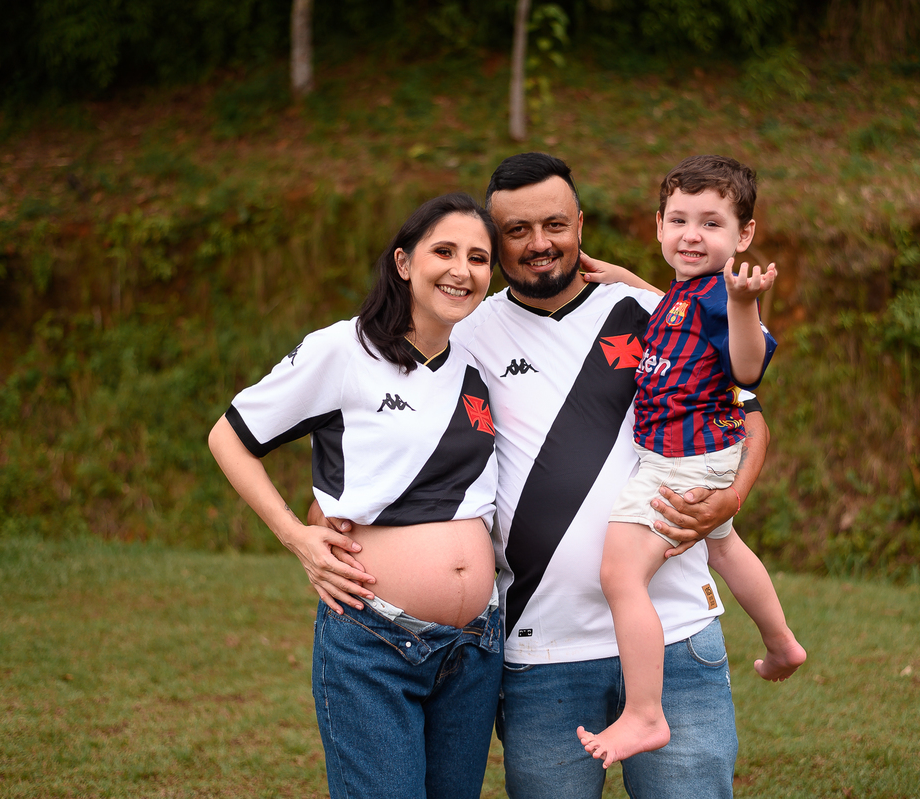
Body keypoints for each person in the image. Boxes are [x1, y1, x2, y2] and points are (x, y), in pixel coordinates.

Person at [312, 153, 769, 799]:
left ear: (580, 222)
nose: (539, 243)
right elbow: (378, 429)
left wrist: (734, 494)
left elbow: (749, 417)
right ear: (495, 244)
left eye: (554, 223)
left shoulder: (652, 307)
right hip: (542, 652)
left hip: (676, 637)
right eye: (517, 231)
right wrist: (319, 522)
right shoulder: (465, 331)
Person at [208, 192, 504, 799]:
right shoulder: (342, 350)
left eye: (478, 258)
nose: (461, 269)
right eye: (443, 251)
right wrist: (296, 536)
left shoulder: (481, 354)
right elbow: (229, 437)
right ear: (402, 262)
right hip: (375, 641)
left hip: (476, 644)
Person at [576, 154, 807, 769]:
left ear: (745, 236)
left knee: (621, 576)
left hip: (680, 462)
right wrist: (625, 277)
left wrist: (746, 305)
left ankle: (646, 714)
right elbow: (670, 306)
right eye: (679, 220)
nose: (692, 235)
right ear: (658, 226)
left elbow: (747, 367)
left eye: (711, 223)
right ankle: (782, 644)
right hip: (701, 456)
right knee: (726, 547)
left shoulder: (723, 298)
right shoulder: (687, 293)